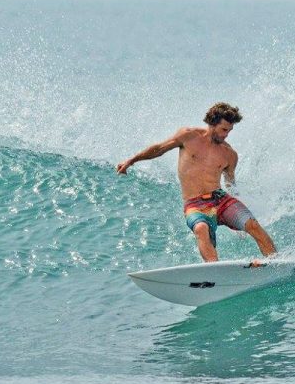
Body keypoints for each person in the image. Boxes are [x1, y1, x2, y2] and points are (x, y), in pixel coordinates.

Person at [116, 102, 277, 264]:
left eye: (230, 131)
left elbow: (230, 183)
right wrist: (132, 160)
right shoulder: (188, 136)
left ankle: (274, 262)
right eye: (224, 129)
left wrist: (240, 218)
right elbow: (159, 148)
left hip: (221, 199)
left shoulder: (229, 154)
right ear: (212, 123)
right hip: (195, 204)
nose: (226, 134)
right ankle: (214, 269)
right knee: (201, 229)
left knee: (253, 225)